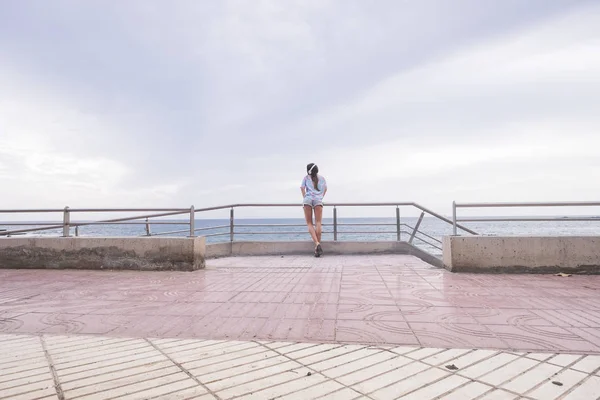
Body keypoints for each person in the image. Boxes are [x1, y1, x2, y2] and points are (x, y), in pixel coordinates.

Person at [301, 163, 327, 257]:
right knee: (318, 223)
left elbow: (302, 188)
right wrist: (320, 197)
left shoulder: (306, 178)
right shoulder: (322, 178)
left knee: (309, 223)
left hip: (308, 199)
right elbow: (325, 189)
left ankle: (317, 244)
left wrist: (305, 197)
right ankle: (317, 249)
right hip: (318, 200)